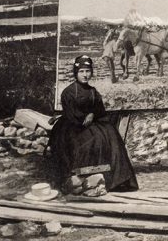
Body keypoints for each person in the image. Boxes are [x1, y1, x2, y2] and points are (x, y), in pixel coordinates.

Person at [49, 55, 138, 192]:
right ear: (76, 73)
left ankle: (118, 179)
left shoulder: (93, 92)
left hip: (92, 122)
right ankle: (81, 179)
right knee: (90, 140)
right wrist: (85, 118)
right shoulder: (68, 92)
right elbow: (71, 114)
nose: (85, 75)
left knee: (112, 135)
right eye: (81, 72)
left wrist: (93, 114)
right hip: (72, 125)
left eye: (88, 71)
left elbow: (100, 111)